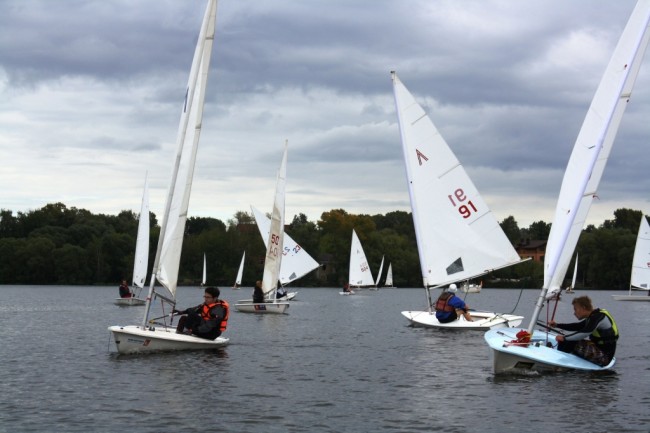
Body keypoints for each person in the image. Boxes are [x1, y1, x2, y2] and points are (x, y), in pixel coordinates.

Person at [549, 295, 618, 366]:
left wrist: (564, 338)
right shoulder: (592, 317)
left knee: (568, 341)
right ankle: (561, 360)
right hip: (598, 349)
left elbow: (585, 333)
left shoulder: (598, 317)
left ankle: (558, 365)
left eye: (575, 309)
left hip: (605, 358)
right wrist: (557, 325)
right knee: (566, 341)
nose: (574, 313)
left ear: (583, 308)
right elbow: (577, 326)